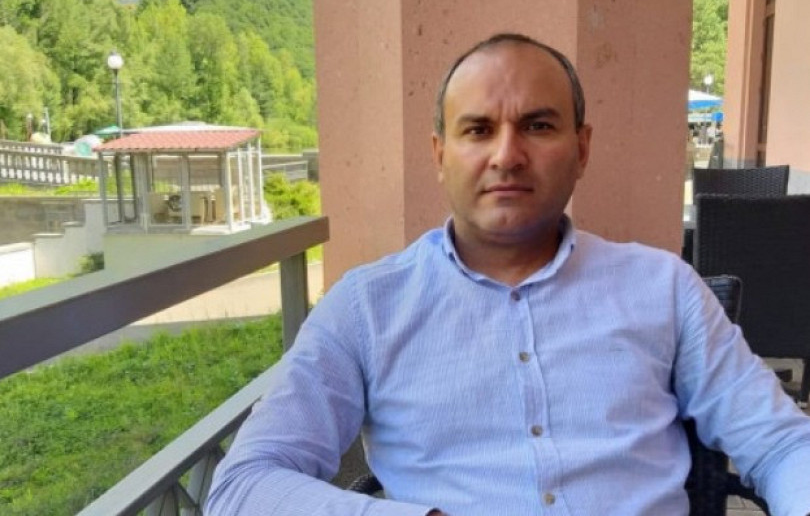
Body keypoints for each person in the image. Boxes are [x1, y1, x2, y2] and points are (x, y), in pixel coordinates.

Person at [206, 33, 810, 516]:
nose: (506, 155)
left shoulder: (664, 289)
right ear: (440, 154)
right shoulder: (367, 308)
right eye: (478, 130)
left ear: (582, 149)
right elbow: (244, 485)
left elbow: (783, 443)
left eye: (538, 126)